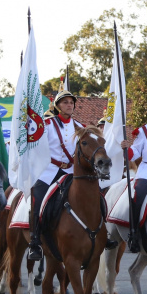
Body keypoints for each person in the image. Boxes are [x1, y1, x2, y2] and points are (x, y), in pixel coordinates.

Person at [26, 88, 83, 261]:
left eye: (71, 103)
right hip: (50, 171)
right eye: (65, 102)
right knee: (37, 198)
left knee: (95, 195)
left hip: (72, 172)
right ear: (58, 106)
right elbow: (34, 144)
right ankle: (34, 242)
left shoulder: (80, 127)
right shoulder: (47, 125)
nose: (69, 105)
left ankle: (102, 232)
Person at [119, 103, 147, 254]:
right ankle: (134, 232)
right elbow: (136, 153)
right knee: (139, 194)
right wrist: (127, 149)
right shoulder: (144, 130)